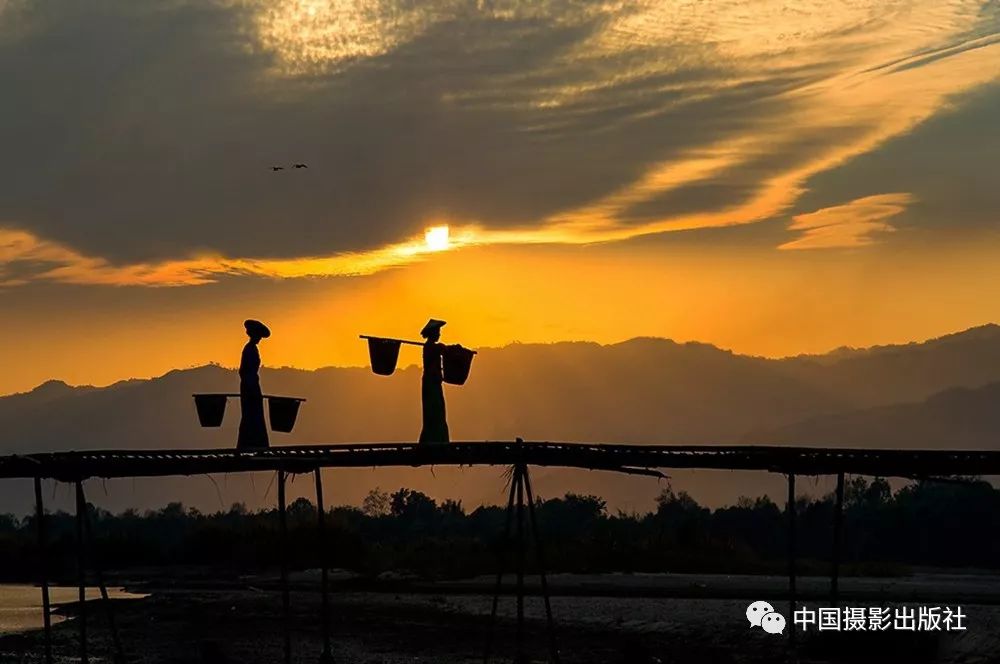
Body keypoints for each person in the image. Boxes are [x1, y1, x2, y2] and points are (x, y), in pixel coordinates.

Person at [238, 319, 270, 449]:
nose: (259, 339)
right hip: (250, 386)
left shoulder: (251, 348)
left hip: (250, 385)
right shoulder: (250, 349)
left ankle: (252, 444)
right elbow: (244, 370)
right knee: (252, 415)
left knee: (252, 415)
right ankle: (253, 444)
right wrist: (250, 386)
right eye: (258, 336)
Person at [419, 318, 450, 445]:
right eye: (437, 332)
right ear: (432, 333)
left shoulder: (432, 347)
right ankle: (433, 441)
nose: (439, 334)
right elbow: (443, 350)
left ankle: (437, 440)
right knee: (433, 412)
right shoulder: (430, 347)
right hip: (430, 384)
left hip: (433, 383)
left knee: (437, 412)